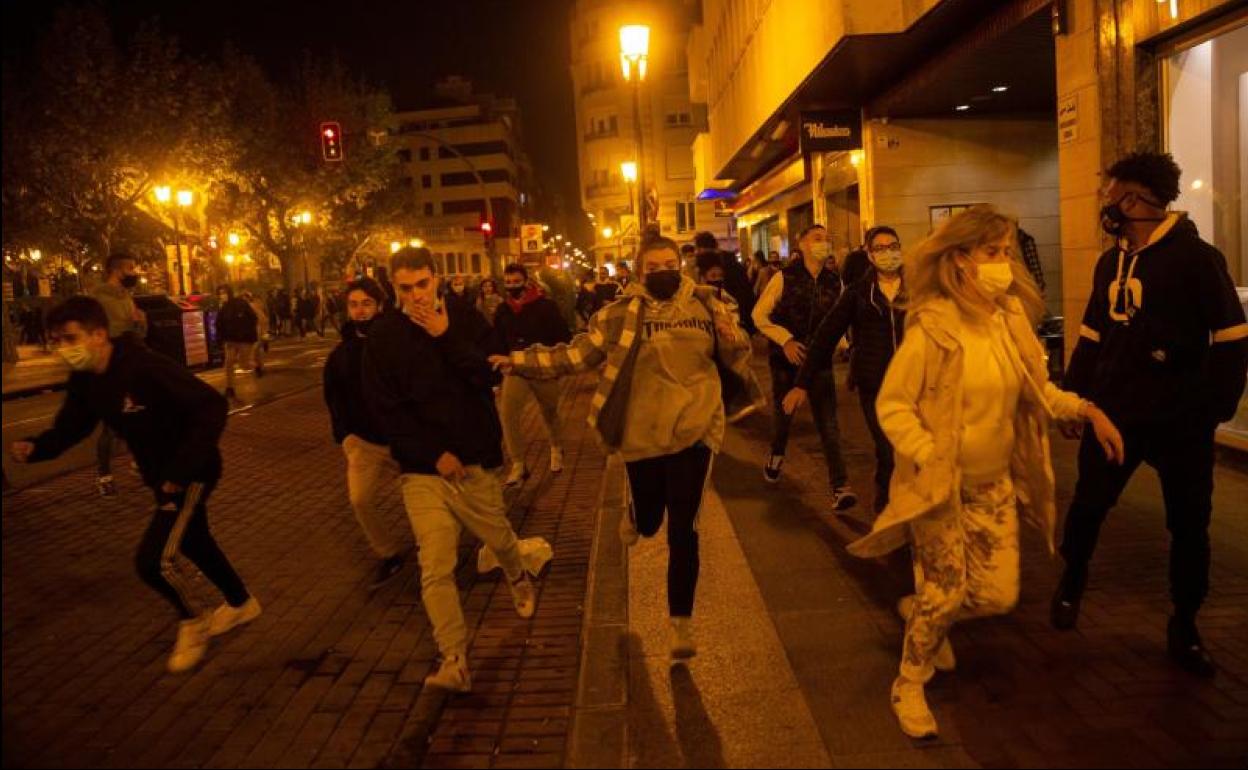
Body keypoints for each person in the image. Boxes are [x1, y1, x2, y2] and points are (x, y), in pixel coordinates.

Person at [843, 205, 1124, 739]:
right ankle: (909, 681)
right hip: (940, 486)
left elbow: (1037, 389)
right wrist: (928, 451)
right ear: (961, 259)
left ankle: (923, 611)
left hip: (994, 483)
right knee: (947, 590)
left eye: (1006, 252)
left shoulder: (1007, 320)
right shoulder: (932, 326)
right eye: (993, 252)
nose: (1003, 263)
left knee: (995, 596)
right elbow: (893, 406)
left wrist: (1087, 410)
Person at [491, 236, 763, 660]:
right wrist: (519, 361)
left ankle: (681, 625)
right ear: (639, 272)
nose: (662, 271)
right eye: (652, 266)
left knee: (684, 528)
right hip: (641, 435)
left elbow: (739, 350)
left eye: (669, 263)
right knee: (652, 521)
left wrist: (733, 335)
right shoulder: (619, 315)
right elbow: (577, 356)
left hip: (695, 430)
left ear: (682, 265)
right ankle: (638, 511)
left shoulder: (709, 305)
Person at [1051, 152, 1248, 677]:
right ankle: (1073, 578)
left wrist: (1210, 411)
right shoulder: (1107, 262)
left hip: (1180, 424)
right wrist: (1075, 399)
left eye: (1109, 196)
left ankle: (1185, 623)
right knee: (1089, 504)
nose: (1104, 206)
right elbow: (1093, 337)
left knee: (1189, 526)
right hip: (1115, 415)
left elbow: (1232, 340)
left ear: (1134, 200)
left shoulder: (1196, 259)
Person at [10, 296, 261, 673]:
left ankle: (195, 620)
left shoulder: (144, 367)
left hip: (190, 473)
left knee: (153, 561)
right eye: (57, 340)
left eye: (70, 338)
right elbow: (72, 427)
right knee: (195, 540)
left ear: (98, 334)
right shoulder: (86, 380)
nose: (65, 348)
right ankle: (241, 603)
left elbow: (210, 405)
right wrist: (37, 447)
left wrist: (180, 471)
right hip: (159, 474)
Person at [363, 247, 541, 693]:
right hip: (424, 472)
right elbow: (386, 408)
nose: (416, 295)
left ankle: (517, 575)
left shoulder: (467, 319)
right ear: (394, 288)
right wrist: (430, 452)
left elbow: (489, 377)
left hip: (474, 462)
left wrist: (445, 336)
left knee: (499, 538)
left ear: (436, 279)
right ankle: (454, 658)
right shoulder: (384, 335)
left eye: (423, 284)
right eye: (405, 288)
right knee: (436, 564)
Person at [783, 226, 907, 515]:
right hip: (875, 385)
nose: (888, 253)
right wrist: (801, 383)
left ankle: (909, 508)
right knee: (888, 451)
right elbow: (824, 337)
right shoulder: (858, 293)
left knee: (912, 451)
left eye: (893, 246)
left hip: (914, 384)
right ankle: (886, 508)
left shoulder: (917, 290)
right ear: (868, 253)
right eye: (880, 248)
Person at [752, 224, 856, 510]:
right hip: (786, 361)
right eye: (817, 238)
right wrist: (785, 340)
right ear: (802, 243)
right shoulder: (784, 278)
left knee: (829, 424)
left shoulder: (835, 281)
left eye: (827, 239)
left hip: (819, 362)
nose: (824, 243)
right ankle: (776, 453)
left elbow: (838, 320)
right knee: (784, 415)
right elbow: (759, 315)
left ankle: (840, 486)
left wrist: (843, 346)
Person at [324, 278, 409, 590]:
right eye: (354, 304)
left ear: (380, 305)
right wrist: (345, 435)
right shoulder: (341, 354)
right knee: (360, 499)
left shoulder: (396, 343)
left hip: (401, 439)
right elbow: (333, 395)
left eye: (366, 304)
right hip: (363, 441)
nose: (360, 311)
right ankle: (388, 554)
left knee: (428, 495)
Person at [490, 264, 573, 487]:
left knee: (549, 411)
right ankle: (518, 463)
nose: (511, 286)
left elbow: (562, 334)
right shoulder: (503, 310)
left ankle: (556, 447)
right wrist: (497, 374)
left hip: (542, 367)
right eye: (507, 282)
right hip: (515, 368)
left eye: (516, 282)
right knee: (508, 414)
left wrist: (557, 363)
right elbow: (497, 340)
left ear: (526, 282)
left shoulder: (545, 306)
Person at [89, 253, 147, 497]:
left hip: (130, 361)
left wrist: (139, 322)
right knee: (111, 424)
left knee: (138, 414)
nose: (134, 272)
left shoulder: (126, 296)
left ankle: (138, 462)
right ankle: (103, 474)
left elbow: (138, 333)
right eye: (131, 268)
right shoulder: (98, 297)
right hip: (109, 364)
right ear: (116, 270)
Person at [695, 232, 756, 335]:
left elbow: (743, 296)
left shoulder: (723, 266)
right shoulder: (733, 264)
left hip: (734, 321)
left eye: (698, 250)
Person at [215, 285, 260, 400]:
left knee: (244, 365)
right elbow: (219, 324)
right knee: (228, 363)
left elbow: (253, 318)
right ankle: (230, 388)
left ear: (229, 293)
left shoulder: (240, 303)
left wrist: (246, 332)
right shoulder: (223, 308)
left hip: (244, 340)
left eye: (224, 293)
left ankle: (256, 364)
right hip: (231, 340)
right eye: (220, 293)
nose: (222, 295)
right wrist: (220, 339)